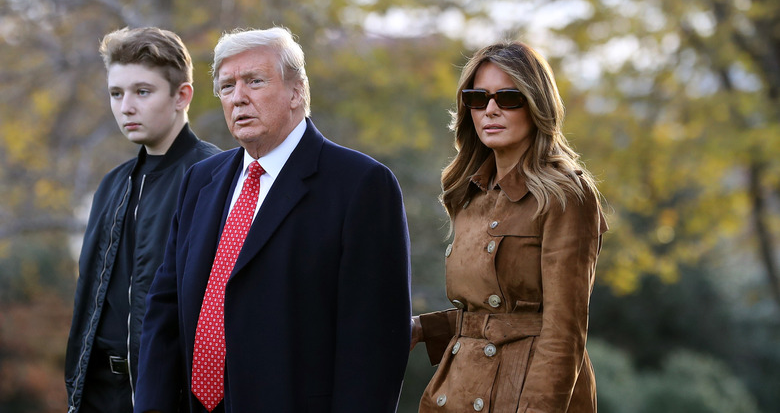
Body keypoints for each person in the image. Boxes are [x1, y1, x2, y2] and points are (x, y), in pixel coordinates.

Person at [133, 27, 412, 413]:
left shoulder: (361, 185)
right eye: (227, 86)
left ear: (297, 91)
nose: (238, 98)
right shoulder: (200, 181)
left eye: (255, 81)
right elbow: (164, 310)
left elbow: (374, 344)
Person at [410, 41, 608, 412]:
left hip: (524, 397)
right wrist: (424, 329)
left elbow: (563, 331)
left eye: (508, 98)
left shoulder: (565, 195)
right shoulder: (469, 194)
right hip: (456, 390)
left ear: (536, 104)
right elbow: (492, 314)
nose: (491, 110)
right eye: (477, 98)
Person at [65, 27, 222, 413]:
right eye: (116, 94)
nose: (126, 107)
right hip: (99, 394)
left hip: (171, 394)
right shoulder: (112, 184)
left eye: (143, 92)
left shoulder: (215, 177)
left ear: (181, 96)